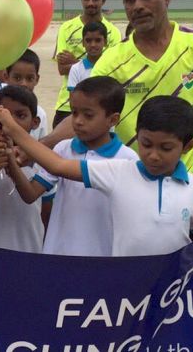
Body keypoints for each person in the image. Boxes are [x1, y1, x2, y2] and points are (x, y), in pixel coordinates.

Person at [48, 0, 193, 205]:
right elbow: (86, 114)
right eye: (129, 0)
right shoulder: (112, 59)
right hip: (130, 198)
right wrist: (40, 145)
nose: (137, 6)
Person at [0, 96, 193, 257]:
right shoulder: (118, 171)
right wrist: (14, 129)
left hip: (169, 289)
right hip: (121, 286)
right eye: (146, 144)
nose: (153, 155)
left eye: (165, 148)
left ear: (187, 147)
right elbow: (58, 166)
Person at [16, 76, 138, 256]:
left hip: (103, 257)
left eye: (88, 115)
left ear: (113, 119)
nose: (78, 121)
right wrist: (11, 163)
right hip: (60, 252)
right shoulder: (63, 148)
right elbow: (30, 194)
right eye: (74, 112)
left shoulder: (128, 160)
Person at [0, 86, 48, 253]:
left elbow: (47, 212)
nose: (10, 122)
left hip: (30, 250)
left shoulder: (43, 160)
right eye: (4, 115)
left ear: (35, 122)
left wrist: (11, 163)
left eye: (20, 115)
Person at [52, 0, 122, 128]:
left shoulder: (113, 32)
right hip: (67, 104)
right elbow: (62, 68)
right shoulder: (67, 28)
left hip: (101, 105)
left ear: (103, 0)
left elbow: (111, 70)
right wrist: (96, 62)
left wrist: (76, 63)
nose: (90, 3)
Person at [1, 49, 48, 140]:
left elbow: (41, 146)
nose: (24, 84)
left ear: (37, 79)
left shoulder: (40, 114)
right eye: (17, 78)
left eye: (30, 78)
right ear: (6, 77)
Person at [66, 22, 108, 93]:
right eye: (88, 40)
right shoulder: (76, 69)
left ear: (105, 42)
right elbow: (74, 100)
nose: (93, 45)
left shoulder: (111, 66)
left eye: (98, 40)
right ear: (82, 42)